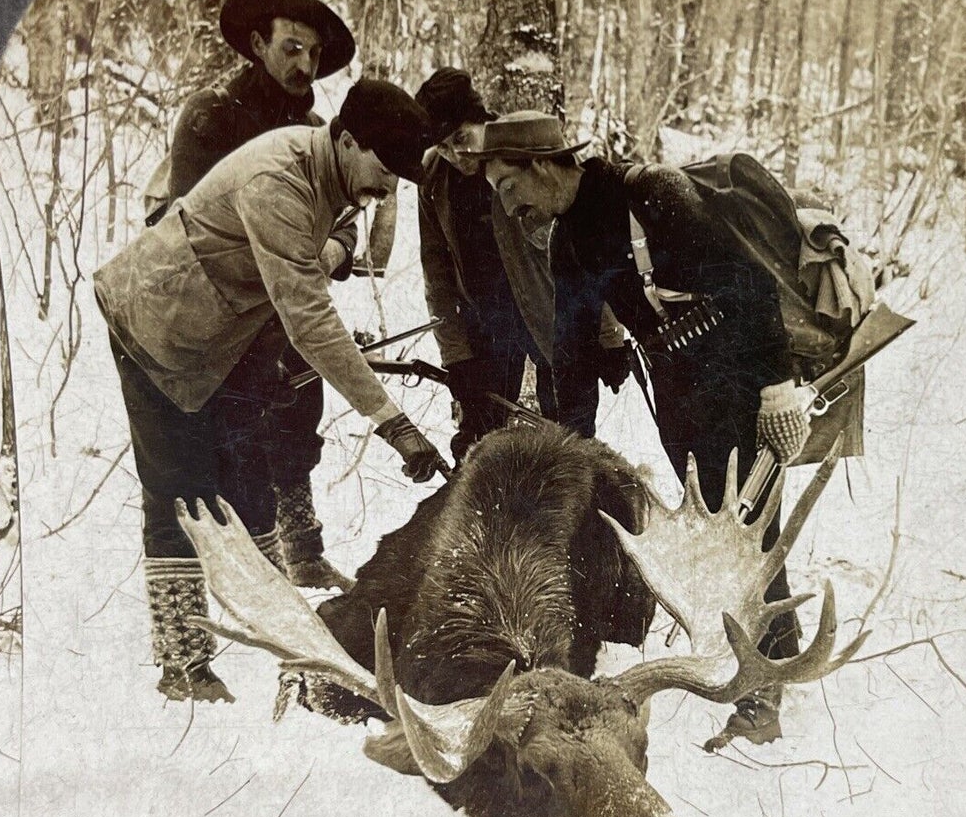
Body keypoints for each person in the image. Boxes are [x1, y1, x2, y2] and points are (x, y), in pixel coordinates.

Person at [95, 79, 445, 704]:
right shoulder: (277, 181)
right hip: (154, 323)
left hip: (220, 336)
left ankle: (282, 650)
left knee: (252, 486)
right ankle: (184, 667)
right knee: (181, 494)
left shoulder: (330, 177)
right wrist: (392, 422)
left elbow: (326, 255)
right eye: (382, 168)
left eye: (397, 177)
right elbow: (309, 316)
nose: (387, 188)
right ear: (344, 139)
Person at [476, 111, 814, 746]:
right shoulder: (569, 237)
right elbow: (571, 349)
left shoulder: (655, 195)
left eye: (508, 185)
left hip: (739, 374)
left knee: (747, 522)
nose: (509, 203)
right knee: (711, 516)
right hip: (681, 389)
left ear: (545, 166)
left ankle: (766, 687)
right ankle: (749, 652)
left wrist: (776, 388)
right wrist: (566, 450)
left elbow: (751, 287)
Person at [155, 0, 397, 588]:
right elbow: (190, 221)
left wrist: (336, 249)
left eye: (313, 55)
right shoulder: (211, 116)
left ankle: (303, 551)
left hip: (289, 301)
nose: (303, 65)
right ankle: (238, 579)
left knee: (297, 416)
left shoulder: (322, 127)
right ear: (257, 44)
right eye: (291, 48)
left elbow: (345, 217)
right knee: (225, 439)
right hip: (210, 305)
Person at [415, 68, 632, 457]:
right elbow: (437, 272)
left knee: (571, 434)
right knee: (476, 440)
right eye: (444, 147)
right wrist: (456, 355)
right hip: (486, 324)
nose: (455, 155)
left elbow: (583, 249)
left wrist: (608, 335)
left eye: (461, 139)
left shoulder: (519, 152)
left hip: (553, 314)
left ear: (482, 119)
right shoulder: (433, 178)